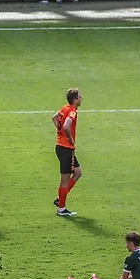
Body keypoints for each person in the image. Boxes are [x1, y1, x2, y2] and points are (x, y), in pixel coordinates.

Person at [52, 88, 83, 217]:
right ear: (75, 100)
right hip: (66, 148)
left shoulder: (65, 108)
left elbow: (54, 118)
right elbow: (66, 125)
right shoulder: (72, 112)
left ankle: (61, 199)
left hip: (61, 146)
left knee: (78, 172)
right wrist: (69, 138)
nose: (82, 99)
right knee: (65, 179)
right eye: (80, 97)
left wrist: (60, 135)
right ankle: (61, 209)